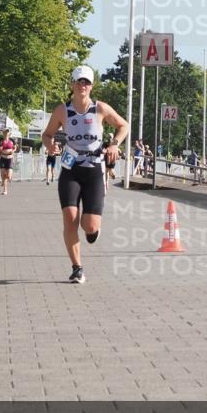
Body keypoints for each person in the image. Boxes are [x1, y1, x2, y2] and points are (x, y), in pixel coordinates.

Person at [42, 65, 128, 284]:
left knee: (89, 226)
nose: (83, 86)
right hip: (71, 170)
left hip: (94, 171)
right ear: (72, 84)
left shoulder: (99, 109)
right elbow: (48, 134)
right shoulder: (62, 111)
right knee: (70, 219)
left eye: (87, 82)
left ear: (92, 86)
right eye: (79, 82)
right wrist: (50, 146)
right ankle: (77, 268)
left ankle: (93, 231)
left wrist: (114, 145)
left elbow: (123, 126)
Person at [0, 128, 15, 195]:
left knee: (9, 176)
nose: (6, 134)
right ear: (3, 134)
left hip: (9, 159)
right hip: (3, 158)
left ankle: (6, 179)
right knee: (3, 174)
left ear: (9, 134)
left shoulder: (12, 140)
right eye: (5, 132)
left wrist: (12, 151)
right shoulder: (1, 141)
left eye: (7, 132)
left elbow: (15, 147)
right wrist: (0, 150)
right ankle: (5, 190)